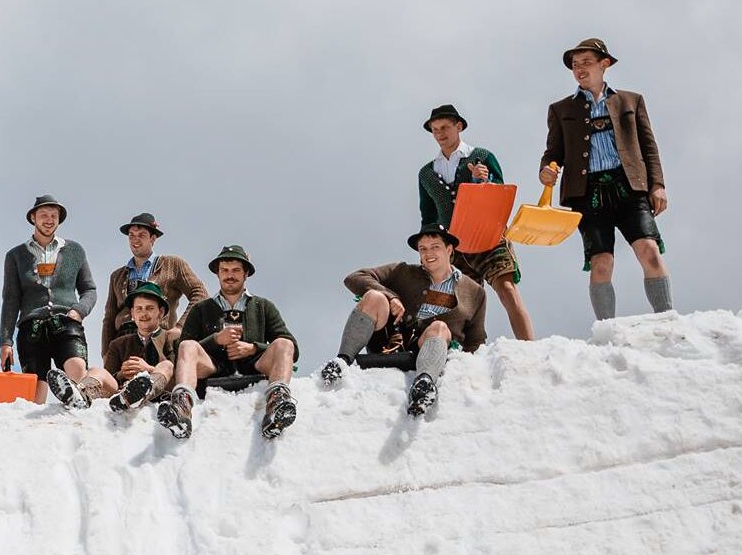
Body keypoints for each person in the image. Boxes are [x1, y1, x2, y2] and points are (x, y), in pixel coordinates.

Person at [542, 37, 673, 321]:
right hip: (587, 193)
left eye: (586, 63)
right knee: (601, 262)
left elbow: (649, 147)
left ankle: (667, 319)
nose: (580, 69)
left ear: (605, 64)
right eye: (575, 65)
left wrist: (658, 185)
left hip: (630, 187)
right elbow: (553, 152)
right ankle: (607, 328)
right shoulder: (561, 109)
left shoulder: (631, 100)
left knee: (649, 251)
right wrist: (547, 170)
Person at [320, 225, 488, 417]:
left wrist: (469, 376)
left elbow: (476, 340)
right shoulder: (403, 272)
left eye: (435, 247)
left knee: (439, 327)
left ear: (449, 250)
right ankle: (342, 362)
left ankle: (424, 385)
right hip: (391, 343)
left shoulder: (474, 292)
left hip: (432, 351)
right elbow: (354, 278)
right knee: (374, 297)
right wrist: (390, 296)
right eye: (423, 249)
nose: (428, 253)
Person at [418, 104, 534, 341]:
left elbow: (501, 194)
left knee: (507, 290)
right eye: (435, 129)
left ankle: (530, 347)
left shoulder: (481, 156)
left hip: (488, 235)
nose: (439, 133)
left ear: (459, 126)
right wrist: (427, 250)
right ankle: (463, 356)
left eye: (445, 127)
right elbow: (428, 216)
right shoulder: (427, 173)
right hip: (454, 244)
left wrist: (485, 179)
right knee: (453, 304)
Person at [158, 245, 298, 440]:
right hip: (213, 366)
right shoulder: (201, 309)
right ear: (217, 273)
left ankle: (277, 406)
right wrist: (215, 340)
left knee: (285, 344)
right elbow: (179, 347)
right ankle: (181, 408)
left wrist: (253, 348)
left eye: (235, 270)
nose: (229, 275)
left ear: (246, 273)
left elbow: (292, 346)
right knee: (186, 346)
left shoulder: (263, 306)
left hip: (254, 365)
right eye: (224, 270)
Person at [0, 194, 98, 406]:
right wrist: (5, 342)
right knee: (35, 388)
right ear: (33, 218)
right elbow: (10, 300)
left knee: (77, 369)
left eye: (54, 215)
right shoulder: (15, 255)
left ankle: (79, 416)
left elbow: (89, 289)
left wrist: (78, 311)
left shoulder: (74, 250)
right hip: (31, 327)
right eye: (44, 215)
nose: (49, 219)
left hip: (66, 321)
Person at [99, 212, 208, 354]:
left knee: (159, 373)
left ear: (153, 238)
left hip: (159, 339)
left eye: (141, 235)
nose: (135, 240)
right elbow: (109, 318)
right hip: (123, 341)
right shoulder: (117, 276)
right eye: (131, 235)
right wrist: (106, 353)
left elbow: (200, 294)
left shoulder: (173, 264)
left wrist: (180, 327)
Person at [68, 281, 178, 413]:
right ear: (132, 313)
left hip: (162, 395)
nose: (143, 314)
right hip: (121, 395)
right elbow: (108, 376)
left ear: (161, 312)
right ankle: (80, 394)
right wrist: (122, 374)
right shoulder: (118, 344)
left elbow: (179, 379)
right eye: (139, 309)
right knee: (96, 370)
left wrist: (148, 369)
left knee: (167, 365)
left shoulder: (172, 340)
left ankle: (145, 389)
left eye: (149, 308)